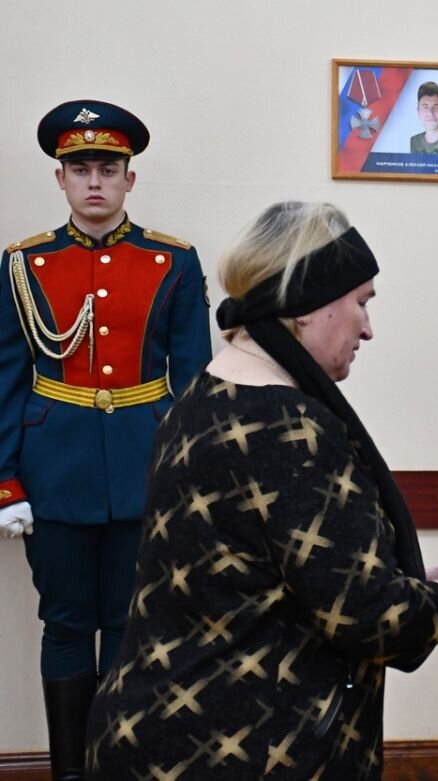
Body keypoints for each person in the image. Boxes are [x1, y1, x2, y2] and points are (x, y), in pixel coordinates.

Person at [84, 202, 438, 779]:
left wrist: (421, 587)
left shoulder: (203, 398)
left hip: (160, 729)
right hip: (235, 749)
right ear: (306, 305)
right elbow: (376, 622)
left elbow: (270, 580)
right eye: (362, 302)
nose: (368, 328)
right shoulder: (287, 428)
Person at [0, 99, 212, 780]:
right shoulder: (24, 263)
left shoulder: (173, 261)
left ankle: (118, 769)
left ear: (130, 179)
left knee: (130, 623)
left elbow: (196, 382)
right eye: (81, 169)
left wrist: (193, 479)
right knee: (66, 623)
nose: (95, 181)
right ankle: (69, 773)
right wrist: (4, 480)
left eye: (108, 169)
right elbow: (6, 378)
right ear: (61, 178)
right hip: (53, 471)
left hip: (146, 466)